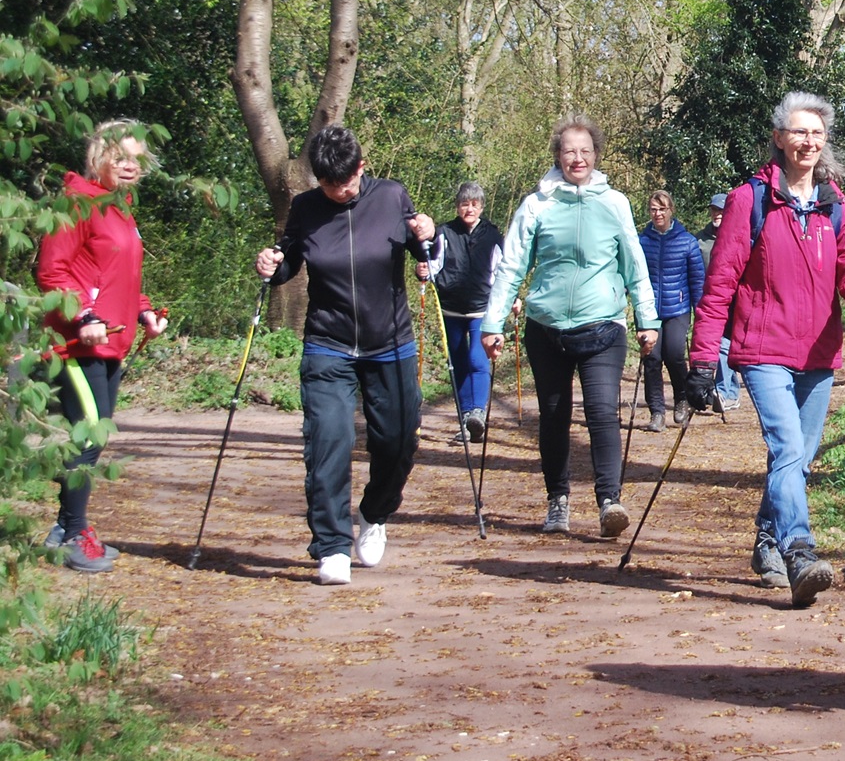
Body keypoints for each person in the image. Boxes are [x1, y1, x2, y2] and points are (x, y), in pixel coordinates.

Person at [688, 92, 845, 608]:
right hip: (762, 348)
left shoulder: (837, 206)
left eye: (816, 133)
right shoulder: (748, 201)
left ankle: (766, 541)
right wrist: (704, 357)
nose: (809, 141)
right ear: (779, 138)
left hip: (819, 352)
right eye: (799, 132)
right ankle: (799, 548)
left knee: (797, 461)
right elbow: (720, 287)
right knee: (787, 448)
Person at [255, 126, 436, 585]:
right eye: (328, 185)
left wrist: (427, 235)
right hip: (328, 344)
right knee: (328, 440)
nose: (339, 192)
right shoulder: (305, 208)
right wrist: (273, 267)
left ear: (361, 166)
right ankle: (332, 545)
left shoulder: (392, 197)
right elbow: (291, 258)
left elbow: (423, 249)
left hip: (390, 343)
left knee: (398, 442)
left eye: (346, 182)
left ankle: (374, 514)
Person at [481, 118, 658, 538]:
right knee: (555, 416)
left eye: (585, 151)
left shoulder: (615, 203)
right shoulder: (537, 205)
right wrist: (493, 321)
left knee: (601, 412)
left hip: (603, 327)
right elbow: (511, 267)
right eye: (568, 151)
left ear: (596, 155)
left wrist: (647, 319)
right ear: (557, 157)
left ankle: (609, 501)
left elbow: (635, 265)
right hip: (547, 329)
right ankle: (557, 500)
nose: (577, 158)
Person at [36, 120, 171, 573]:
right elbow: (52, 276)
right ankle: (72, 533)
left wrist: (144, 311)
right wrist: (85, 317)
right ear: (100, 157)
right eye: (121, 158)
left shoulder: (121, 206)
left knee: (96, 435)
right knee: (90, 435)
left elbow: (120, 274)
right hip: (77, 344)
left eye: (137, 159)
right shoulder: (75, 202)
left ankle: (66, 527)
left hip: (113, 343)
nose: (131, 166)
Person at [426, 182, 505, 445]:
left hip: (482, 308)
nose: (469, 208)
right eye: (464, 203)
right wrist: (422, 274)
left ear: (481, 207)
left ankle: (477, 414)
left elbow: (502, 271)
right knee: (458, 363)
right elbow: (432, 265)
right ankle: (466, 420)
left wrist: (511, 298)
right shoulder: (444, 232)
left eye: (474, 204)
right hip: (451, 308)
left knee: (477, 359)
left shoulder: (492, 234)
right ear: (458, 206)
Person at [637, 190, 704, 431]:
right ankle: (656, 412)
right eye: (654, 209)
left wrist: (702, 315)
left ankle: (681, 400)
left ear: (671, 210)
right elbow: (632, 277)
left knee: (675, 354)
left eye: (662, 209)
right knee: (652, 359)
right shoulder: (641, 242)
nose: (657, 214)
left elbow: (697, 280)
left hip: (678, 308)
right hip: (649, 311)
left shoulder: (686, 241)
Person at [693, 192, 739, 410]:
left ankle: (728, 392)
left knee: (727, 346)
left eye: (721, 210)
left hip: (734, 301)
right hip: (708, 301)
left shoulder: (737, 236)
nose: (717, 214)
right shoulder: (699, 240)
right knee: (722, 346)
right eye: (714, 209)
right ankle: (724, 392)